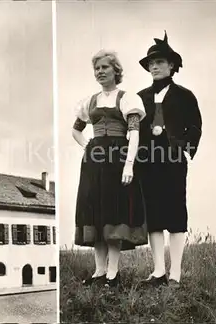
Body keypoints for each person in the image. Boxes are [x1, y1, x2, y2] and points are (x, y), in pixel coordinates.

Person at [72, 50, 148, 288]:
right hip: (94, 164)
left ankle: (113, 274)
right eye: (97, 69)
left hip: (118, 160)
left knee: (113, 215)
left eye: (105, 67)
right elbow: (75, 130)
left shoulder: (128, 99)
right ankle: (99, 271)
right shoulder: (89, 102)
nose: (100, 72)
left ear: (116, 71)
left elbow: (134, 134)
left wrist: (129, 165)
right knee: (96, 214)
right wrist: (89, 147)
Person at [137, 32, 202, 288]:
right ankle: (158, 272)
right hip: (147, 161)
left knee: (175, 214)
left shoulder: (185, 96)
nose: (154, 66)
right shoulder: (139, 97)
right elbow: (133, 128)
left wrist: (185, 148)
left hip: (173, 160)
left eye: (160, 62)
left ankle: (175, 274)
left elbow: (195, 126)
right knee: (153, 215)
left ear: (172, 65)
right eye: (151, 63)